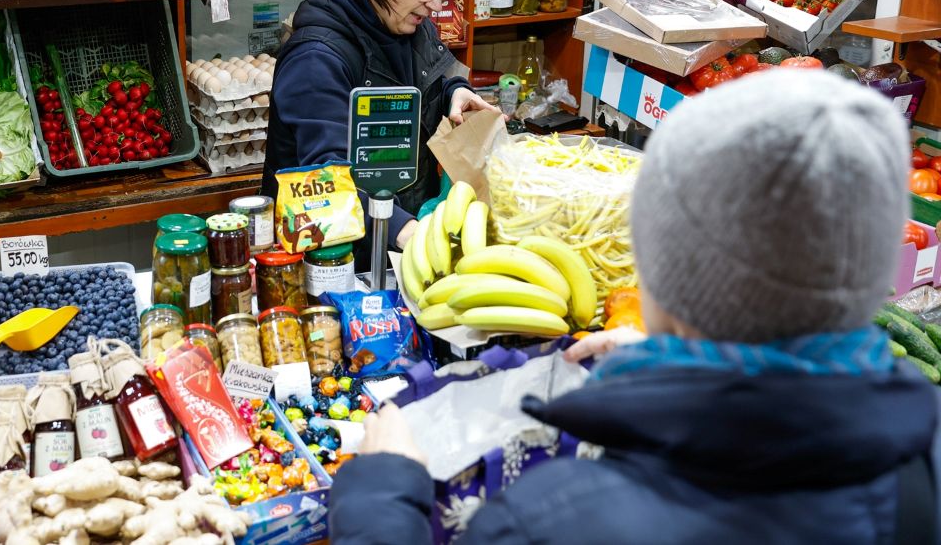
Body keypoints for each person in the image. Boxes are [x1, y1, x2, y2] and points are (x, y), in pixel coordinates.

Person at [329, 70, 941, 544]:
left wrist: (382, 498)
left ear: (668, 274)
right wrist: (682, 360)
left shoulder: (554, 520)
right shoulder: (925, 447)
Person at [261, 0, 497, 255]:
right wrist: (404, 231)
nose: (435, 4)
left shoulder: (406, 21)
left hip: (399, 239)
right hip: (332, 259)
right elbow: (327, 186)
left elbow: (432, 75)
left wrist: (456, 91)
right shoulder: (317, 59)